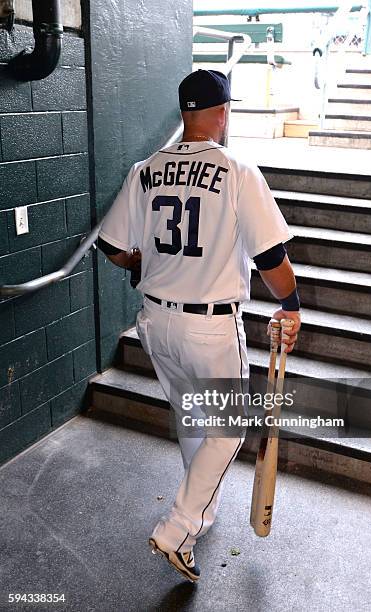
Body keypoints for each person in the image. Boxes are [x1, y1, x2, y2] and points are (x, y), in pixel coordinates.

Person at [97, 69, 301, 583]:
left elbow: (112, 247)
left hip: (156, 325)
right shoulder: (235, 170)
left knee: (194, 419)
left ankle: (200, 514)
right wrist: (292, 305)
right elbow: (271, 256)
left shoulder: (145, 169)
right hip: (209, 328)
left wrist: (142, 264)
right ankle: (179, 525)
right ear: (221, 111)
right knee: (228, 426)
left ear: (183, 113)